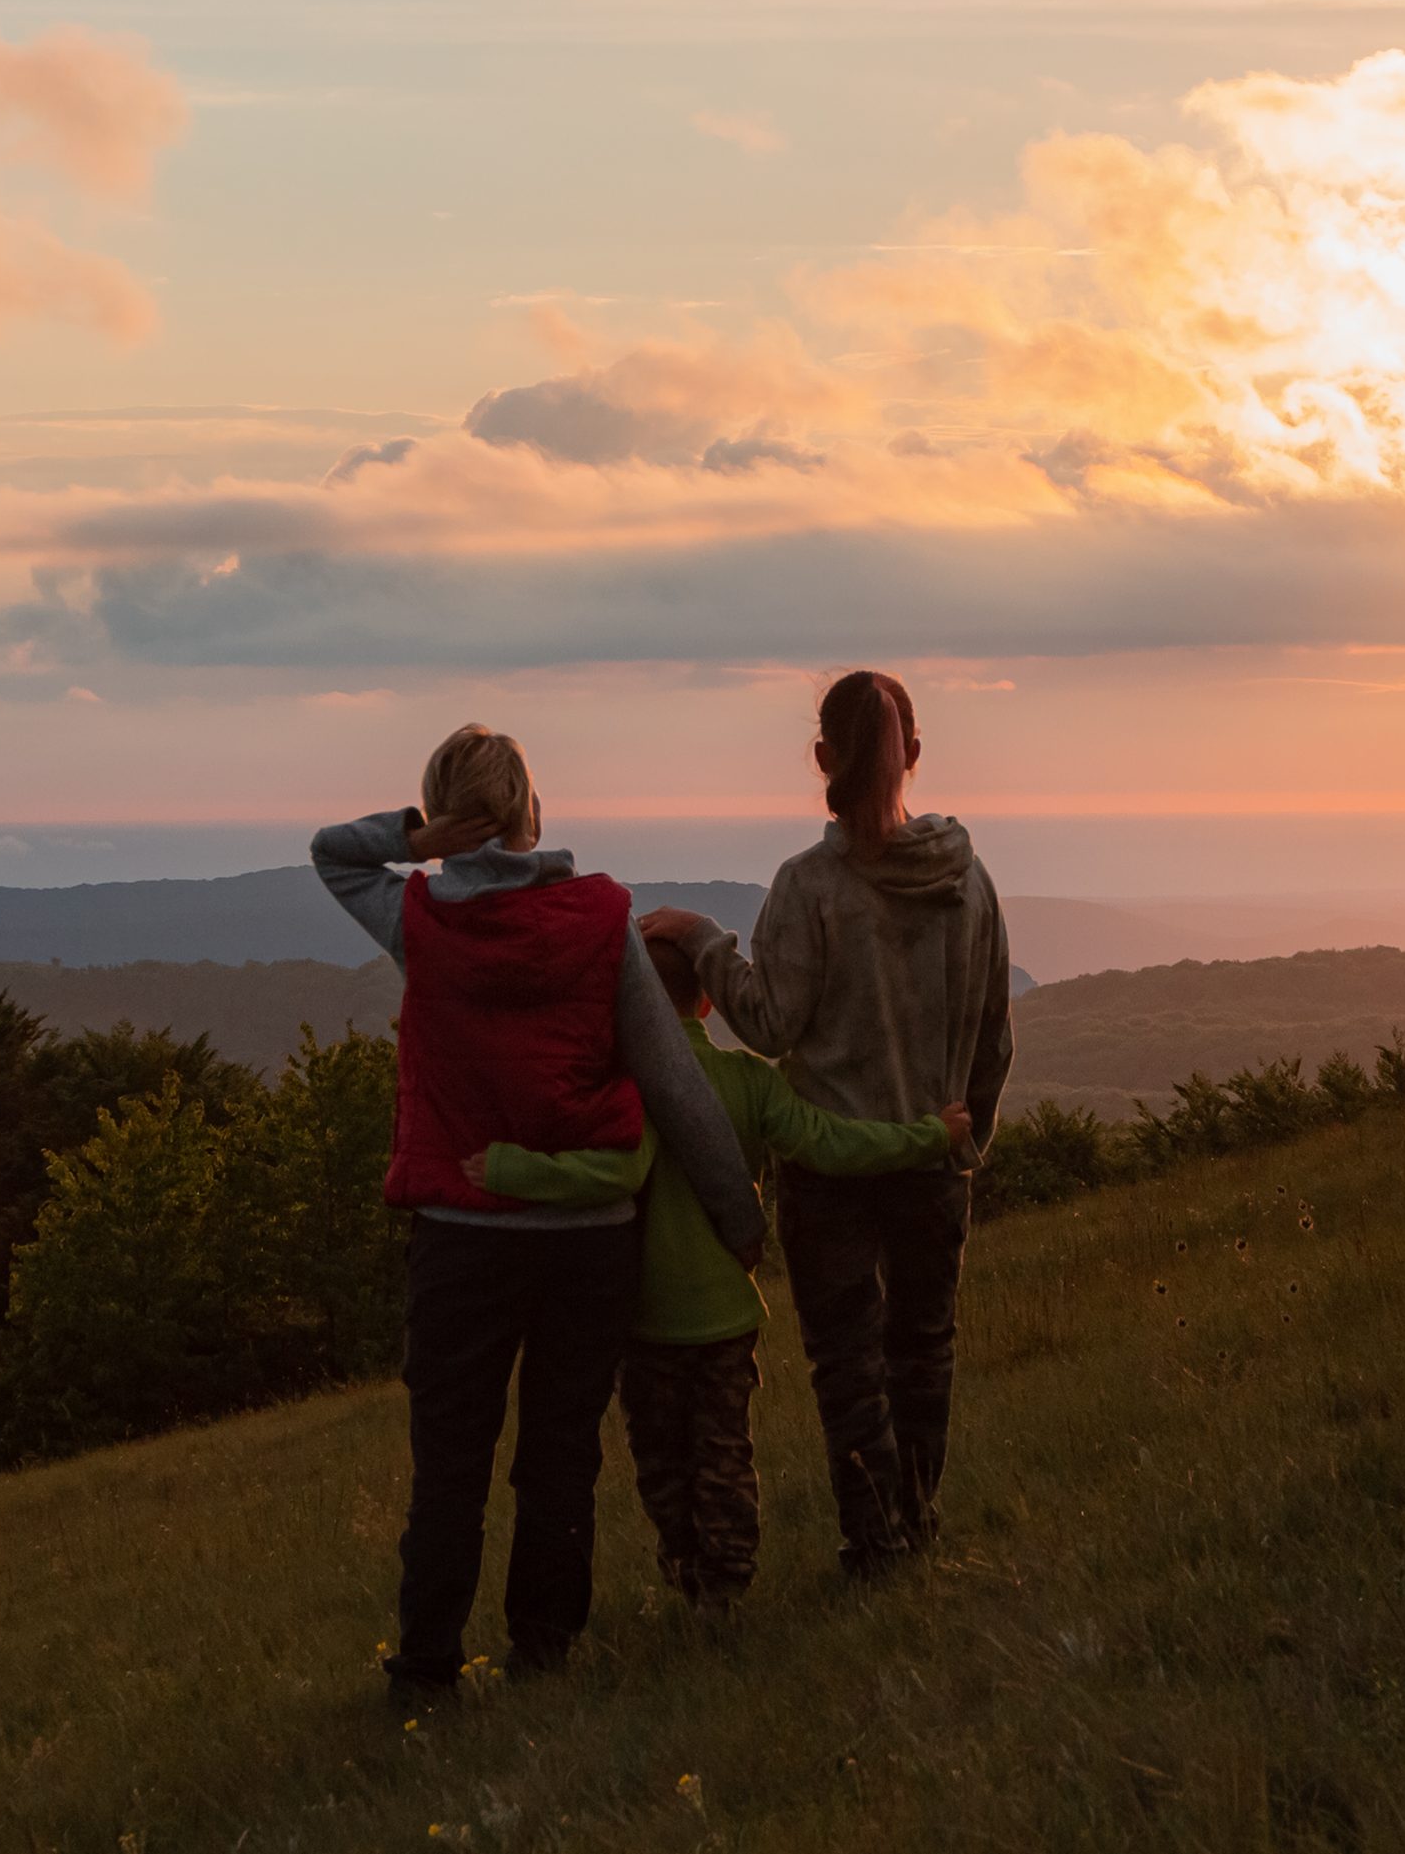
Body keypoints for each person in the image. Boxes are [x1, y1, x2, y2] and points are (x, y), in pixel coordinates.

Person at [312, 725, 767, 1706]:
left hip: (460, 1241)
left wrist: (416, 839)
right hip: (588, 1244)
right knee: (560, 1454)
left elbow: (332, 853)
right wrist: (740, 1216)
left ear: (449, 816)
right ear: (532, 809)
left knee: (451, 1462)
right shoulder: (602, 920)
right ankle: (545, 1653)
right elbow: (673, 1081)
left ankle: (426, 1672)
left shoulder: (424, 919)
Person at [462, 936, 973, 1613]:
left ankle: (693, 1582)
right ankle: (725, 1595)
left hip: (643, 1319)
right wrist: (930, 1136)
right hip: (727, 1317)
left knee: (660, 1466)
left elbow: (607, 1174)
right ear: (707, 1001)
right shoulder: (749, 1080)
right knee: (724, 1456)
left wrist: (507, 1168)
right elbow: (831, 1142)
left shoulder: (619, 1085)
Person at [645, 671, 1012, 1577]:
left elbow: (770, 1024)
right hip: (933, 1163)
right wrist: (965, 1142)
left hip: (830, 1173)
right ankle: (914, 1524)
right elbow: (994, 1035)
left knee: (849, 1366)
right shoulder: (969, 882)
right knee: (924, 1353)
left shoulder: (809, 887)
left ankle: (875, 1543)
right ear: (914, 754)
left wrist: (704, 939)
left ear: (822, 758)